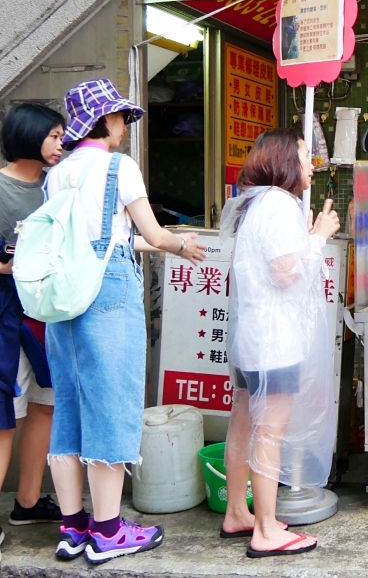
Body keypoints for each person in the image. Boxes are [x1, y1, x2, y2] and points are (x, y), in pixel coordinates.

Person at [43, 79, 205, 565]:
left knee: (70, 409)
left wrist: (154, 242)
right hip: (108, 294)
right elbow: (151, 231)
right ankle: (109, 532)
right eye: (119, 118)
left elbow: (93, 239)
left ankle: (73, 528)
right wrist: (181, 244)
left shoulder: (58, 173)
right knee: (112, 405)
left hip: (64, 295)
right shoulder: (120, 166)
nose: (123, 126)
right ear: (104, 120)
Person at [220, 128, 340, 559]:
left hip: (253, 336)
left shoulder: (258, 202)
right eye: (306, 156)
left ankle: (238, 510)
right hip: (273, 341)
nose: (311, 165)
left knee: (244, 423)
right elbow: (286, 271)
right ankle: (267, 529)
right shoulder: (278, 203)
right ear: (286, 161)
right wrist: (320, 235)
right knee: (269, 431)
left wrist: (307, 238)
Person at [0, 104, 66, 543]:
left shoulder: (56, 187)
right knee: (4, 416)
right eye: (54, 137)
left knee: (46, 403)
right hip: (5, 312)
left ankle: (28, 502)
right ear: (29, 136)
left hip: (47, 310)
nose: (62, 146)